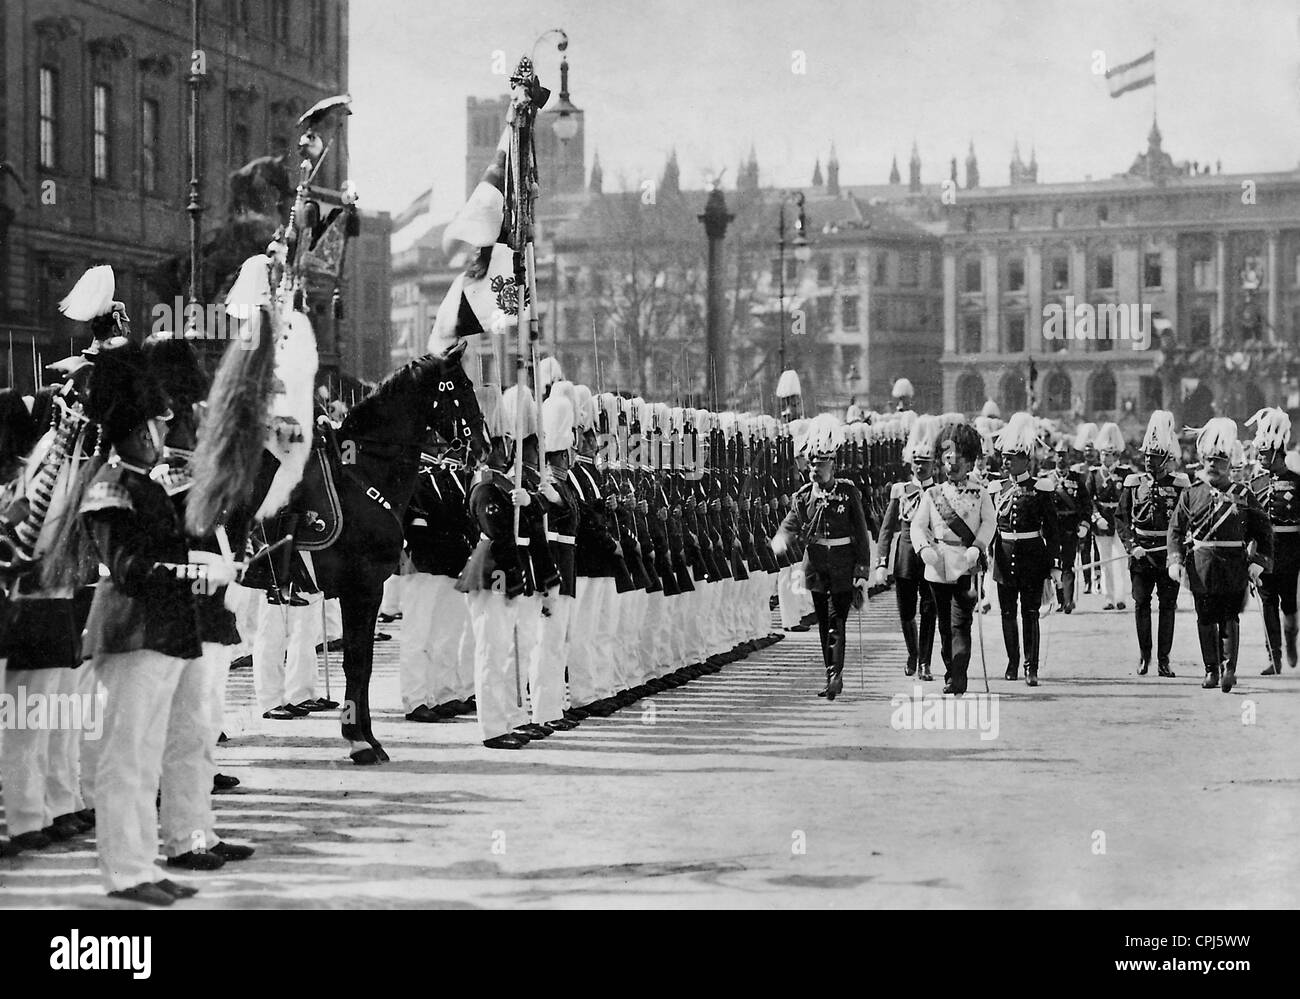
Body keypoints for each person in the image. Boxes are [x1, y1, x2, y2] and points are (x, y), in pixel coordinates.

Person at [78, 339, 237, 906]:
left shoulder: (141, 483)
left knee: (146, 761)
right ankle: (124, 872)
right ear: (140, 430)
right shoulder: (113, 485)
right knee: (127, 761)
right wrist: (195, 571)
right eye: (158, 427)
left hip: (160, 635)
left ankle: (143, 865)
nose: (166, 436)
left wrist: (197, 566)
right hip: (131, 633)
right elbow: (128, 568)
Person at [771, 413, 872, 701]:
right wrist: (780, 540)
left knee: (836, 620)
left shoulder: (848, 493)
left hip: (842, 565)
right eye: (813, 463)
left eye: (822, 463)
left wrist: (861, 571)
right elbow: (791, 523)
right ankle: (830, 670)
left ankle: (834, 675)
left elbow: (861, 534)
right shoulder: (803, 497)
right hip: (815, 567)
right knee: (823, 622)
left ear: (833, 465)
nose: (816, 468)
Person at [1167, 418, 1272, 693]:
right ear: (1202, 459)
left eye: (1220, 460)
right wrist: (1175, 561)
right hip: (1201, 566)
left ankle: (1229, 669)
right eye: (1210, 460)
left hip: (1234, 566)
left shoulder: (1243, 495)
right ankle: (1211, 670)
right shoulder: (1192, 494)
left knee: (1229, 617)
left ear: (1230, 463)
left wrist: (1259, 563)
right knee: (1204, 618)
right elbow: (1176, 530)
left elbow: (1265, 532)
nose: (1214, 465)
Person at [909, 422, 996, 696]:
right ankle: (950, 669)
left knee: (961, 623)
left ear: (970, 462)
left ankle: (959, 673)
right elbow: (917, 525)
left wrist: (978, 547)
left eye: (958, 461)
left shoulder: (980, 493)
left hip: (966, 565)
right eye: (948, 460)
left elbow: (989, 522)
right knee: (945, 626)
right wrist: (924, 549)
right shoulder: (932, 494)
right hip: (937, 565)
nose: (952, 465)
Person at [988, 412, 1060, 686]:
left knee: (1030, 613)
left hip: (1032, 557)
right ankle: (1013, 662)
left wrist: (1054, 564)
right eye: (1004, 456)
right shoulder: (997, 488)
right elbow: (992, 526)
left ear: (1025, 458)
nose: (1005, 461)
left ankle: (1031, 666)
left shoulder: (1040, 488)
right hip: (1005, 558)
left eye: (1011, 457)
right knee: (1007, 614)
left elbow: (1051, 530)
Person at [1116, 411, 1188, 678]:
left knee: (1167, 606)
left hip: (1168, 555)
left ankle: (1164, 659)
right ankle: (1145, 655)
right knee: (1141, 604)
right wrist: (1130, 545)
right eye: (1146, 455)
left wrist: (1180, 550)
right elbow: (1121, 518)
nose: (1148, 460)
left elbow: (1185, 520)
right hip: (1141, 554)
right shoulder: (1134, 483)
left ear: (1166, 459)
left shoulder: (1179, 485)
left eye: (1154, 456)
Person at [875, 414, 939, 680]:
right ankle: (912, 653)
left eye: (925, 464)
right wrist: (881, 561)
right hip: (905, 557)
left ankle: (925, 661)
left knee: (929, 610)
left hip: (932, 557)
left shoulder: (940, 491)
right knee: (906, 611)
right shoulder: (899, 490)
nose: (920, 468)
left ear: (933, 465)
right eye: (916, 463)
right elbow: (887, 528)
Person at [1243, 407, 1300, 675]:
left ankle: (1290, 639)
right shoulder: (1255, 484)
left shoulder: (1297, 482)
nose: (1260, 457)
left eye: (1264, 453)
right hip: (1264, 553)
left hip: (1291, 552)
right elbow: (1249, 522)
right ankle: (1273, 656)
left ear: (1278, 452)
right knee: (1267, 603)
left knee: (1288, 604)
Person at [1089, 423, 1131, 610]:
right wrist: (1097, 517)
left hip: (1120, 520)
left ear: (1116, 456)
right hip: (1102, 521)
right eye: (1103, 454)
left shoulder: (1125, 473)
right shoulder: (1094, 474)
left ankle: (1121, 597)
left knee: (1120, 559)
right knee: (1105, 560)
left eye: (1109, 454)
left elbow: (1129, 499)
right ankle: (1108, 597)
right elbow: (1089, 500)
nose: (1105, 457)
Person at [1050, 433, 1092, 614]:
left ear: (1069, 458)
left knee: (1067, 563)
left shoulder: (1077, 479)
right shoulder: (1046, 480)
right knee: (1054, 564)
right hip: (1051, 527)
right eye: (1058, 454)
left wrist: (1084, 524)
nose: (1061, 458)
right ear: (1054, 457)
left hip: (1070, 527)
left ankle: (1067, 601)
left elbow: (1086, 505)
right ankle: (1059, 600)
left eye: (1064, 455)